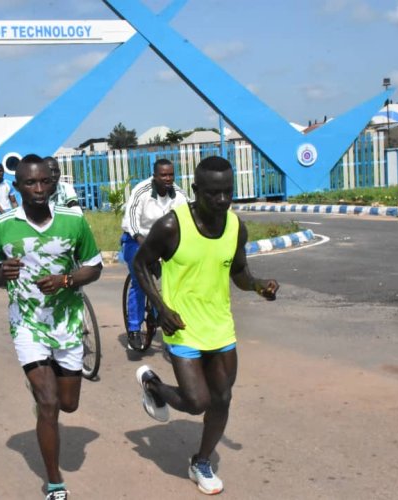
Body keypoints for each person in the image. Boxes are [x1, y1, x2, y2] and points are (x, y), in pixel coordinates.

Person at [132, 156, 279, 495]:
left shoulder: (235, 227)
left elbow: (239, 272)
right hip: (182, 326)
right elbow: (140, 265)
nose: (222, 200)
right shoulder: (172, 226)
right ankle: (155, 387)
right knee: (197, 401)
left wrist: (259, 286)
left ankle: (201, 461)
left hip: (220, 327)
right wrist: (161, 307)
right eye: (213, 193)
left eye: (228, 192)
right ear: (196, 190)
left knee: (223, 399)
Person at [0, 154, 102, 500]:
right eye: (30, 183)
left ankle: (44, 398)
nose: (38, 189)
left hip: (67, 323)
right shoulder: (0, 226)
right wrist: (0, 274)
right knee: (49, 403)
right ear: (16, 187)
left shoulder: (73, 222)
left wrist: (66, 279)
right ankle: (54, 482)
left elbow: (93, 268)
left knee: (68, 404)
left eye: (44, 182)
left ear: (53, 183)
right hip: (28, 325)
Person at [120, 158, 188, 350]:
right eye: (163, 175)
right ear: (155, 176)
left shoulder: (179, 195)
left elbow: (190, 217)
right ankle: (134, 329)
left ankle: (169, 317)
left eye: (171, 174)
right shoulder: (141, 192)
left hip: (163, 243)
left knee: (177, 279)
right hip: (136, 240)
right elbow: (132, 223)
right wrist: (148, 252)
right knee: (141, 281)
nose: (168, 178)